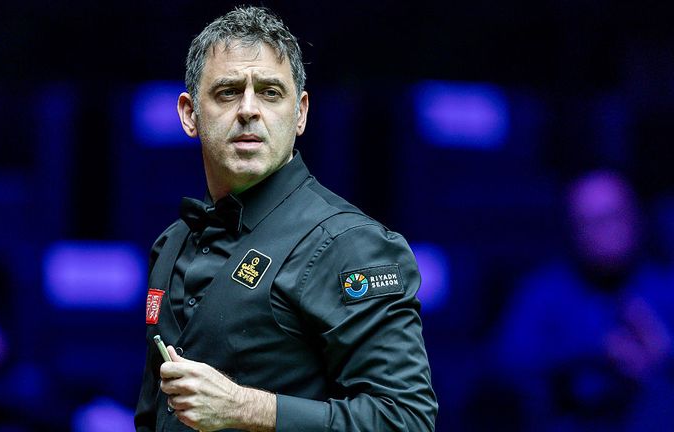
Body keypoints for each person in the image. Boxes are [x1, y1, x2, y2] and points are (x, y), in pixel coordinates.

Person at [134, 6, 437, 431]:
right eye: (227, 92)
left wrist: (243, 407)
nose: (248, 109)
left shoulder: (350, 244)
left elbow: (405, 420)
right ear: (189, 114)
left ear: (300, 113)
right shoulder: (170, 245)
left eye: (271, 92)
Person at [491, 169, 674, 432]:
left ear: (636, 218)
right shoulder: (544, 293)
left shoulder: (665, 289)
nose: (606, 232)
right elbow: (505, 365)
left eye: (613, 217)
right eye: (591, 222)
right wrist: (596, 351)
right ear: (572, 230)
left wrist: (662, 355)